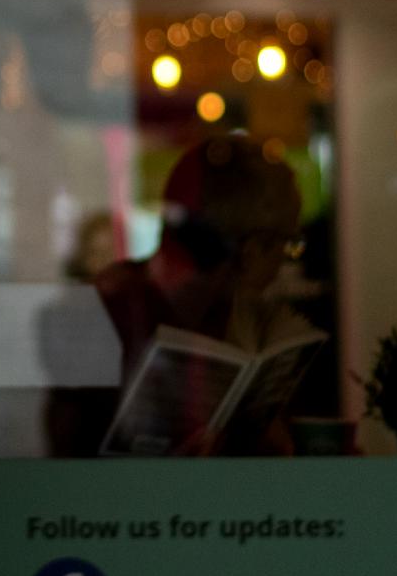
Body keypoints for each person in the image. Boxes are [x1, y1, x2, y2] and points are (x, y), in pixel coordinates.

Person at [94, 131, 311, 452]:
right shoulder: (114, 313)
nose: (282, 264)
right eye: (287, 245)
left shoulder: (216, 314)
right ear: (251, 252)